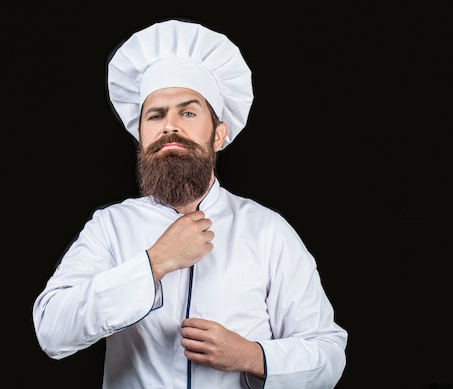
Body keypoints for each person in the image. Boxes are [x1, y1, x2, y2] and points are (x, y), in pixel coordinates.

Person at [32, 18, 348, 388]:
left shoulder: (267, 231)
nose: (170, 126)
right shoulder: (110, 227)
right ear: (141, 137)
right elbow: (52, 331)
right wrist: (154, 263)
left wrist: (251, 355)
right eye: (155, 115)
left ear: (218, 134)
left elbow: (328, 355)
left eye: (187, 112)